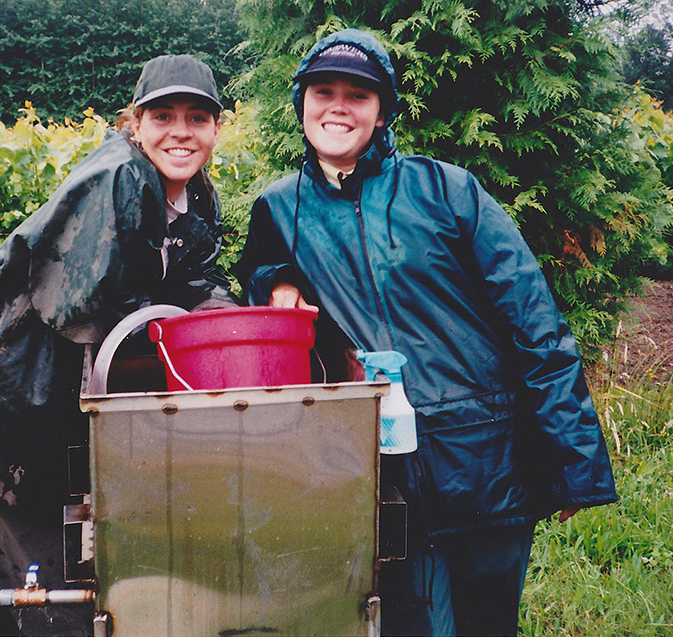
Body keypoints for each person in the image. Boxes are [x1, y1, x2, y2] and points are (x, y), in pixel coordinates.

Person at [234, 29, 617, 636]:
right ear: (301, 102)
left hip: (484, 457)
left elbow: (535, 322)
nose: (338, 106)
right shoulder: (280, 206)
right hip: (377, 470)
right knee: (405, 624)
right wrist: (275, 279)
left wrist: (574, 460)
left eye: (358, 95)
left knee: (486, 625)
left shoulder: (447, 190)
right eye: (323, 91)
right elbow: (256, 269)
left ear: (382, 111)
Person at [0, 54, 237, 636]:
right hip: (8, 403)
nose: (180, 131)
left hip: (49, 401)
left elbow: (197, 277)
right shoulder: (115, 179)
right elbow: (83, 306)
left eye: (197, 117)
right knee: (47, 589)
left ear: (216, 129)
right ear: (135, 123)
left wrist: (231, 323)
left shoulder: (194, 195)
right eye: (163, 115)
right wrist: (177, 332)